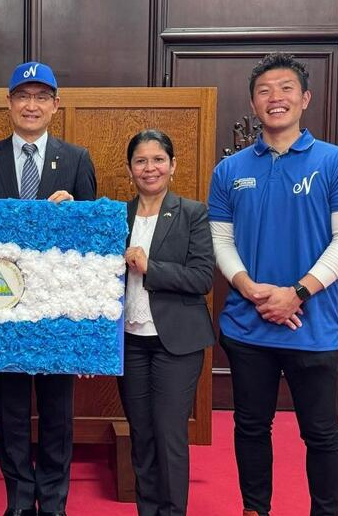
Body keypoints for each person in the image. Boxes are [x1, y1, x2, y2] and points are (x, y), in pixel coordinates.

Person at [208, 52, 338, 516]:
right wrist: (248, 286)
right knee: (250, 427)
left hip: (311, 327)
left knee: (321, 432)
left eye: (285, 89)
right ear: (253, 104)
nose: (274, 98)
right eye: (264, 91)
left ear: (305, 98)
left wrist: (297, 293)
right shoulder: (229, 170)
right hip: (247, 325)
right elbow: (221, 240)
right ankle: (254, 509)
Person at [0, 61, 97, 516]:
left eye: (41, 97)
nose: (32, 105)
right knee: (12, 409)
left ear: (56, 105)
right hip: (3, 306)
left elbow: (91, 243)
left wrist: (76, 212)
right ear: (9, 103)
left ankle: (54, 502)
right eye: (23, 96)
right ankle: (19, 500)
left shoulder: (76, 159)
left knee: (58, 410)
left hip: (57, 309)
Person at [118, 129, 215, 516]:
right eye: (140, 161)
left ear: (173, 165)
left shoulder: (192, 213)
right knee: (141, 435)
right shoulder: (118, 216)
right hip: (130, 341)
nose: (150, 168)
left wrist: (150, 267)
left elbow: (202, 278)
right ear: (129, 169)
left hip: (176, 343)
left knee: (169, 434)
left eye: (158, 159)